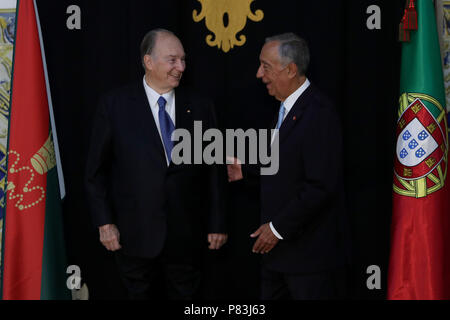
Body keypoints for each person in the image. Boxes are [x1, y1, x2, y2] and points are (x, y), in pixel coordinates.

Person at [85, 28, 227, 300]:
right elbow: (95, 173)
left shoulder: (201, 106)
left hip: (187, 238)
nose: (181, 67)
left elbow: (215, 171)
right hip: (132, 236)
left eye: (183, 60)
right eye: (172, 60)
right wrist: (104, 223)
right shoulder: (114, 105)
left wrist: (217, 222)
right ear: (148, 62)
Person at [227, 33, 349, 299]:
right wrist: (245, 170)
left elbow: (320, 186)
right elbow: (285, 169)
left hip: (309, 262)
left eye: (266, 67)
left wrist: (276, 228)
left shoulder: (319, 113)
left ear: (291, 69)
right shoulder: (285, 109)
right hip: (278, 258)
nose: (259, 74)